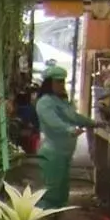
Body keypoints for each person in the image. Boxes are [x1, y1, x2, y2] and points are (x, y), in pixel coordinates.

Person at [35, 63, 86, 209]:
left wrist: (92, 123)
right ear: (49, 83)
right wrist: (69, 130)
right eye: (58, 81)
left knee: (62, 191)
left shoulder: (62, 101)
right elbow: (53, 121)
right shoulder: (44, 103)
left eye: (63, 81)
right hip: (52, 153)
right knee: (51, 190)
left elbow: (74, 117)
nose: (61, 85)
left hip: (65, 154)